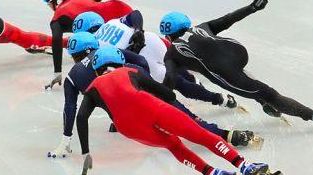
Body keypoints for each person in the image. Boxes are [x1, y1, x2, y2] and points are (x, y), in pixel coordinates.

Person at [76, 46, 271, 175]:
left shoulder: (91, 89)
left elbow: (81, 117)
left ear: (96, 70)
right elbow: (168, 94)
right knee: (201, 135)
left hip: (129, 127)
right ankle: (244, 166)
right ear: (119, 62)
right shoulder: (129, 71)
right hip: (150, 107)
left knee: (173, 145)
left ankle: (213, 174)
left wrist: (86, 152)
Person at [48, 33, 258, 159]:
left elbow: (71, 109)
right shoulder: (108, 50)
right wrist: (144, 81)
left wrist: (66, 140)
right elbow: (139, 62)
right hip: (139, 85)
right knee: (184, 117)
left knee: (171, 130)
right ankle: (225, 132)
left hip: (126, 116)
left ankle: (219, 126)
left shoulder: (72, 77)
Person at [160, 0, 313, 127]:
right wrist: (253, 7)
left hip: (227, 73)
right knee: (241, 74)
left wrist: (161, 102)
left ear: (168, 36)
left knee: (270, 95)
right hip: (238, 52)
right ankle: (263, 101)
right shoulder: (202, 26)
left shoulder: (171, 53)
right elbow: (228, 19)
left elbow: (170, 77)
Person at [74, 11, 238, 108]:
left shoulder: (93, 49)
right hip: (150, 39)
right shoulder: (110, 23)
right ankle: (203, 84)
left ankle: (218, 99)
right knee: (176, 68)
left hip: (139, 56)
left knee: (174, 84)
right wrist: (138, 30)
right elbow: (135, 14)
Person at [43, 0, 133, 89]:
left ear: (51, 2)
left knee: (83, 47)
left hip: (109, 22)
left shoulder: (56, 18)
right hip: (121, 11)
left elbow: (56, 40)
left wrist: (57, 72)